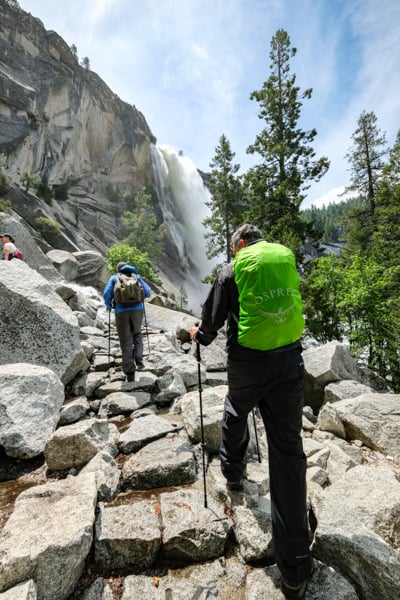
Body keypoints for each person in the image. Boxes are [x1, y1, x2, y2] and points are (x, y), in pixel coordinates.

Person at [189, 224, 313, 599]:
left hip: (248, 364)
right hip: (289, 360)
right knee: (288, 451)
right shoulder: (284, 257)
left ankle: (232, 473)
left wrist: (200, 336)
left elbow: (212, 320)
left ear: (239, 245)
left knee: (235, 411)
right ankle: (294, 571)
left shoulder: (232, 268)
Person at [103, 261, 151, 382]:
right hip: (137, 311)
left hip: (121, 312)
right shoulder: (136, 277)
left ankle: (130, 373)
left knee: (126, 341)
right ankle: (139, 359)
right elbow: (148, 292)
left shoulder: (115, 278)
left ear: (118, 269)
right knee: (137, 334)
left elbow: (106, 294)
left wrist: (109, 305)